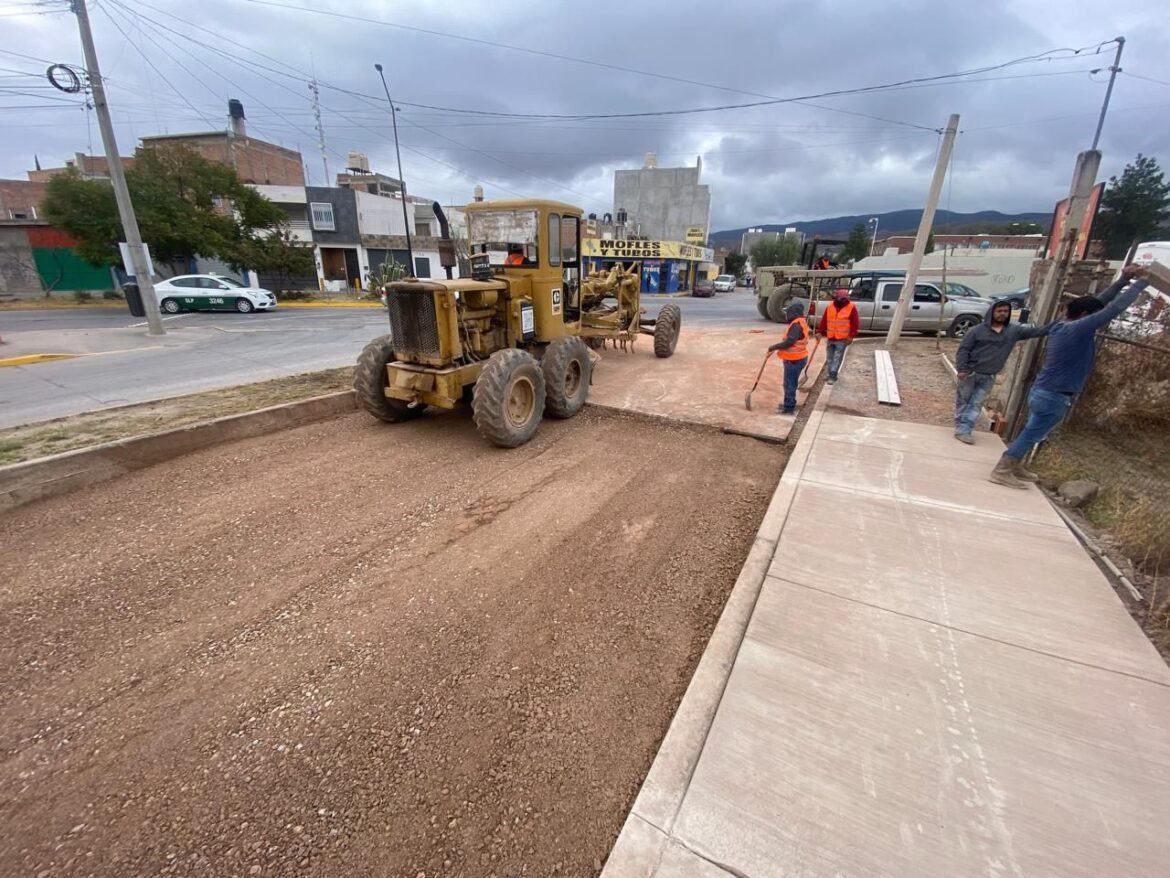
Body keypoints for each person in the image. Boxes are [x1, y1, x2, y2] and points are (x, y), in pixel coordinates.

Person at [989, 264, 1150, 488]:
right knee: (1031, 434)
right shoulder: (1077, 329)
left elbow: (1098, 304)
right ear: (1084, 316)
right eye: (1092, 316)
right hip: (1054, 394)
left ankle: (1015, 466)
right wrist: (1142, 283)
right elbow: (1112, 309)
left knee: (1033, 431)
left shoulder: (1062, 325)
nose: (1097, 318)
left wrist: (1123, 280)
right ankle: (1003, 469)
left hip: (1045, 391)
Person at [951, 300, 1050, 445]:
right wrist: (962, 369)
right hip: (970, 373)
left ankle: (964, 430)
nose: (1003, 314)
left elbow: (1036, 331)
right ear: (992, 312)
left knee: (976, 403)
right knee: (963, 401)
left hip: (989, 376)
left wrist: (1061, 324)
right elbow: (963, 350)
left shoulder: (1013, 331)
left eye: (1005, 311)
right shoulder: (976, 331)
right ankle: (960, 426)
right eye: (999, 311)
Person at [767, 301, 810, 415]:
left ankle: (789, 407)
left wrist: (774, 347)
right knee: (790, 383)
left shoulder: (796, 325)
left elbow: (789, 342)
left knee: (789, 384)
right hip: (798, 357)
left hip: (794, 359)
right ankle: (788, 403)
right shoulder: (801, 321)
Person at [816, 288, 859, 385]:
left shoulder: (851, 307)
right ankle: (830, 374)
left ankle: (833, 375)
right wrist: (820, 332)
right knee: (829, 358)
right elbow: (824, 320)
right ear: (837, 298)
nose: (843, 301)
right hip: (831, 337)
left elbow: (855, 323)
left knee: (837, 357)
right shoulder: (830, 307)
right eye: (841, 299)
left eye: (845, 299)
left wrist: (851, 336)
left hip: (842, 338)